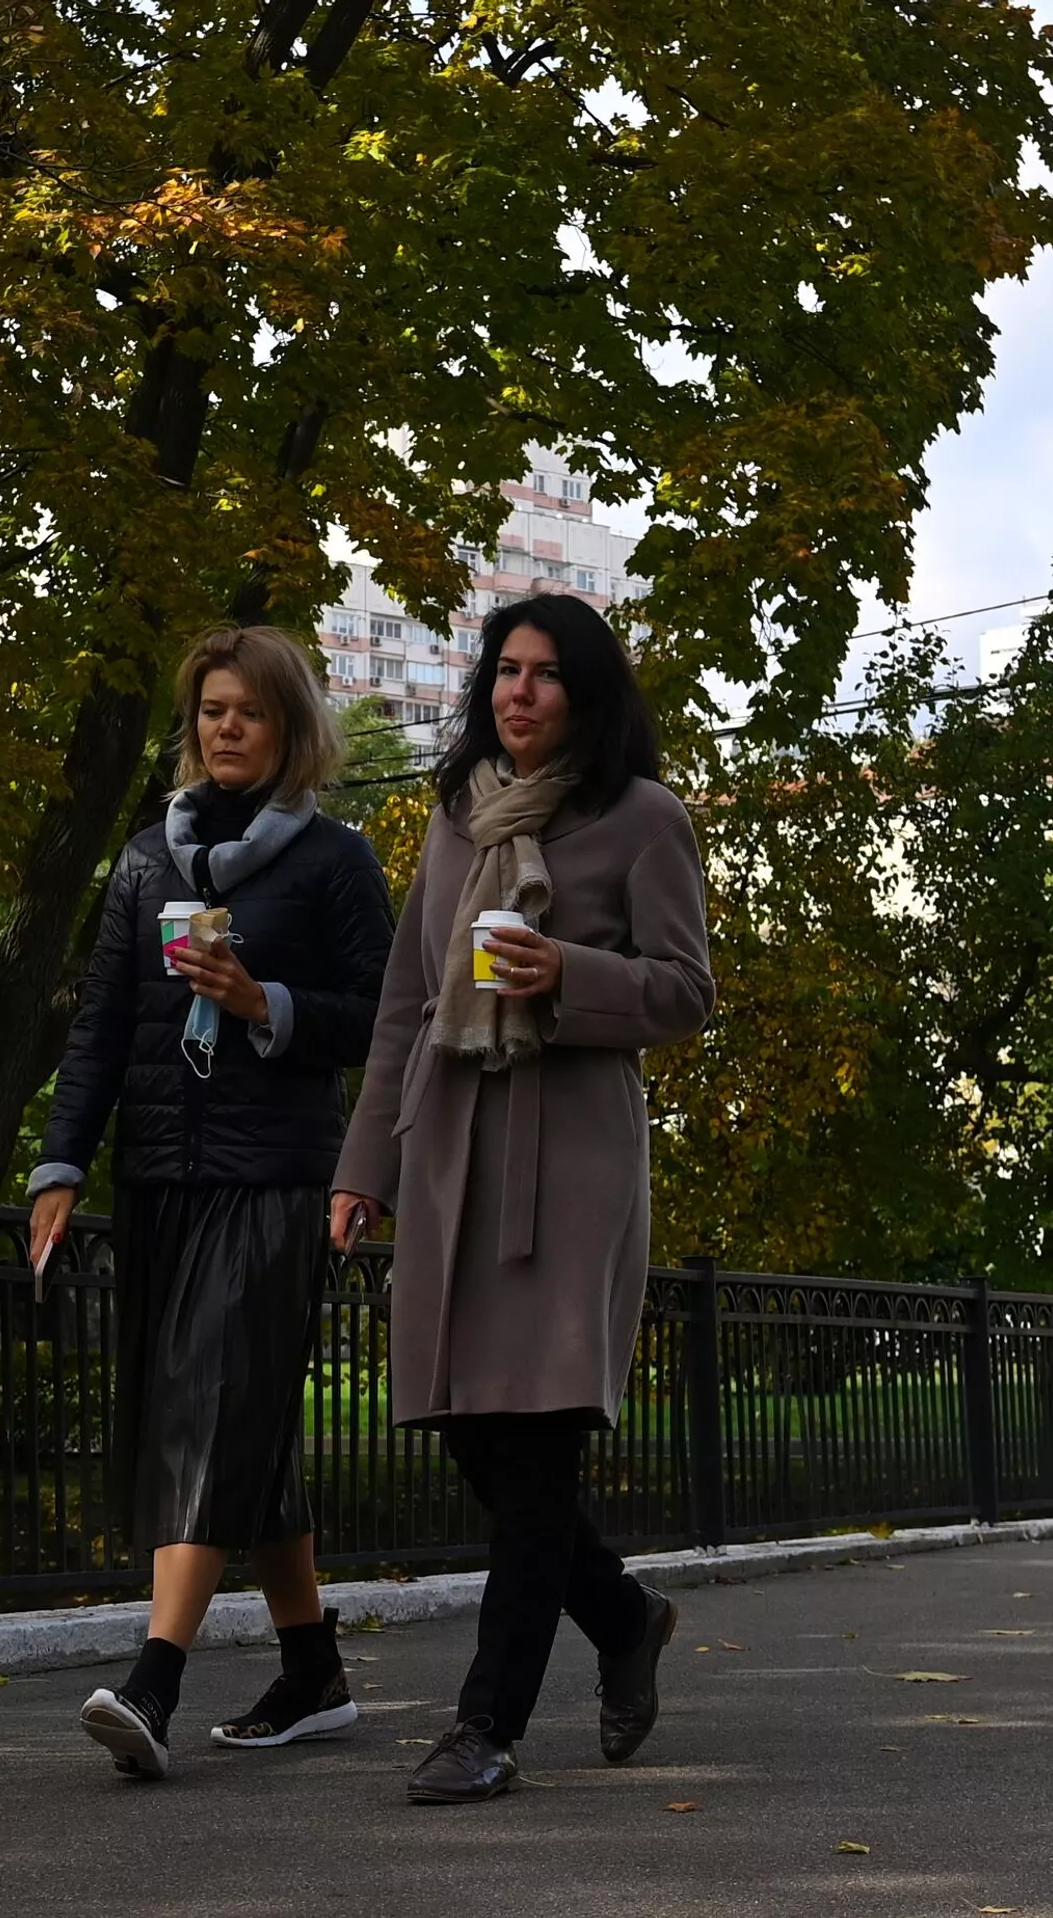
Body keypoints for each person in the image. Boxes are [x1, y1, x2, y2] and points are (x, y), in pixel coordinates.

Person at [332, 592, 714, 1805]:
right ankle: (624, 1618)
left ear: (586, 694)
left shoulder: (644, 817)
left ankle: (484, 1725)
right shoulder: (455, 817)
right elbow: (405, 1003)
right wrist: (363, 1166)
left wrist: (569, 974)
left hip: (573, 1160)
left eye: (546, 673)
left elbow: (685, 990)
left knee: (539, 1445)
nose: (519, 690)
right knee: (472, 1434)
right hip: (452, 1150)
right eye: (505, 669)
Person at [27, 625, 394, 1782]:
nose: (226, 728)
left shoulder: (334, 861)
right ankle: (312, 1668)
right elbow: (100, 1028)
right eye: (211, 710)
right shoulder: (148, 862)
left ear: (291, 727)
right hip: (161, 1177)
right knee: (245, 1428)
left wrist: (262, 1000)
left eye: (250, 710)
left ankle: (155, 1678)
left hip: (274, 1174)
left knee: (206, 1406)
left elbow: (384, 1016)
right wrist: (59, 1166)